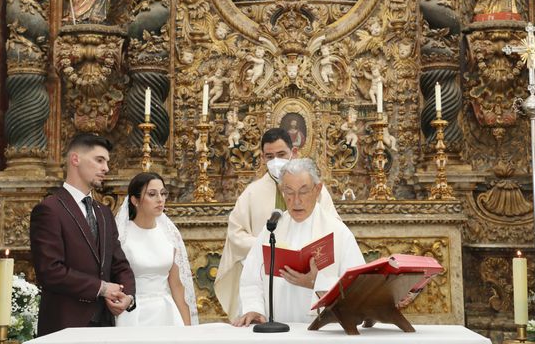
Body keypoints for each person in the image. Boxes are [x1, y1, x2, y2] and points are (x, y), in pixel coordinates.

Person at [214, 128, 338, 319]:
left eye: (281, 155)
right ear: (262, 158)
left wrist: (302, 253)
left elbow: (333, 233)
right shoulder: (251, 194)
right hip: (268, 281)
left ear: (293, 153)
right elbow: (235, 235)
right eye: (269, 156)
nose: (275, 161)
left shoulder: (317, 191)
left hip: (310, 280)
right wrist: (269, 249)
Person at [233, 158, 364, 326]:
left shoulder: (339, 233)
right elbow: (251, 280)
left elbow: (357, 289)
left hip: (323, 333)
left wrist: (317, 282)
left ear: (318, 190)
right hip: (277, 332)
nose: (296, 201)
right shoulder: (271, 230)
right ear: (282, 191)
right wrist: (254, 309)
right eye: (289, 191)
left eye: (303, 191)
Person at [30, 133, 135, 336]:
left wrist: (128, 296)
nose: (106, 168)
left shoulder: (104, 212)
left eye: (107, 162)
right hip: (64, 326)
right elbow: (50, 271)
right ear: (75, 159)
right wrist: (102, 288)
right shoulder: (49, 209)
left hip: (105, 326)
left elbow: (120, 264)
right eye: (99, 160)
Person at [115, 172, 198, 326]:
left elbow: (177, 286)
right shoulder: (122, 235)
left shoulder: (169, 234)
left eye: (163, 193)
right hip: (133, 313)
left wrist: (188, 329)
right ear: (135, 200)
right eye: (152, 194)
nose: (160, 199)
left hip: (166, 313)